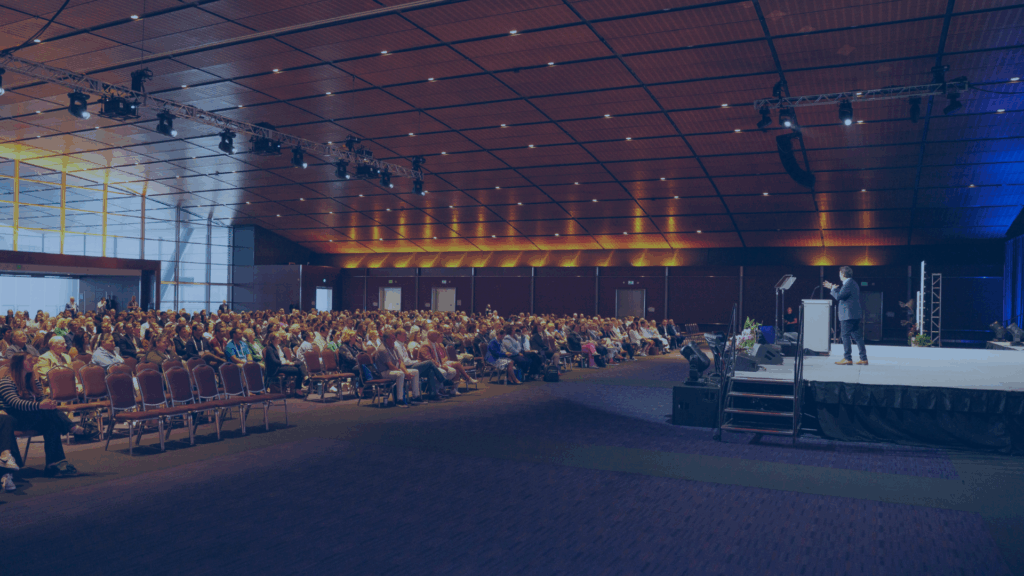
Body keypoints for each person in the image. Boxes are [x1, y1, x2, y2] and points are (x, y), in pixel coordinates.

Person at [0, 354, 82, 476]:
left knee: (50, 423)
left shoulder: (34, 382)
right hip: (14, 420)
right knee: (47, 414)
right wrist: (40, 406)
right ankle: (73, 428)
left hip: (33, 417)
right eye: (29, 361)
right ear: (19, 363)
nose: (33, 363)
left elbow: (42, 400)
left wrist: (49, 403)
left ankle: (52, 465)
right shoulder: (6, 382)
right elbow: (16, 403)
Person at [824, 265, 868, 366]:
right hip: (854, 314)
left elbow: (839, 296)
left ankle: (847, 358)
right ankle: (863, 358)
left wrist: (832, 289)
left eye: (840, 273)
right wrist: (833, 288)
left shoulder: (848, 284)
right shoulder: (852, 283)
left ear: (843, 274)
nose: (839, 275)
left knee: (845, 336)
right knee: (858, 337)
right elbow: (844, 293)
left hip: (848, 315)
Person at [375, 332, 410, 407]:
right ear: (387, 340)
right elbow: (390, 366)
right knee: (400, 374)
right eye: (393, 338)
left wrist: (406, 372)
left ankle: (415, 397)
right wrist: (402, 372)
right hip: (385, 372)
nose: (395, 340)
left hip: (394, 370)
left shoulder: (394, 348)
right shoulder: (382, 349)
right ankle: (399, 400)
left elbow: (400, 362)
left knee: (415, 372)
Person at [265, 332, 302, 396]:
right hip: (276, 368)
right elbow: (274, 361)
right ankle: (297, 389)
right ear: (273, 340)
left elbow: (284, 357)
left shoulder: (280, 347)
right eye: (277, 338)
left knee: (300, 364)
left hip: (284, 365)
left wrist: (288, 361)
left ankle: (298, 387)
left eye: (279, 337)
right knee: (298, 370)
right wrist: (286, 363)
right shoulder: (269, 348)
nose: (279, 339)